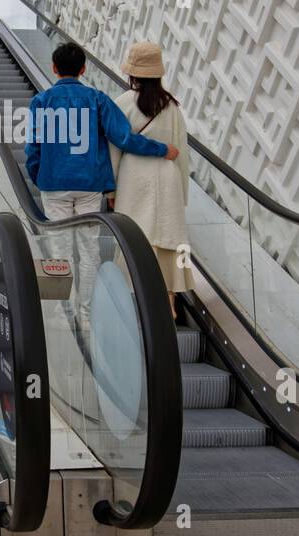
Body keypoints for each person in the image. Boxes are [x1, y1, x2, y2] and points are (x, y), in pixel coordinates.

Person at [26, 41, 179, 325]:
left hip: (54, 185)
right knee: (89, 249)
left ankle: (62, 313)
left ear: (54, 68)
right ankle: (85, 315)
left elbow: (33, 147)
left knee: (58, 248)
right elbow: (124, 138)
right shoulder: (97, 100)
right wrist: (162, 150)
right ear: (83, 69)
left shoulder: (41, 102)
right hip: (89, 184)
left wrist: (39, 175)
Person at [108, 41, 193, 318]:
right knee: (167, 237)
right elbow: (181, 152)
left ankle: (133, 300)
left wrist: (111, 189)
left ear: (133, 74)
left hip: (134, 177)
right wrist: (182, 193)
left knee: (135, 236)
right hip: (167, 176)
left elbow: (115, 149)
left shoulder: (121, 103)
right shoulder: (172, 107)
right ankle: (169, 299)